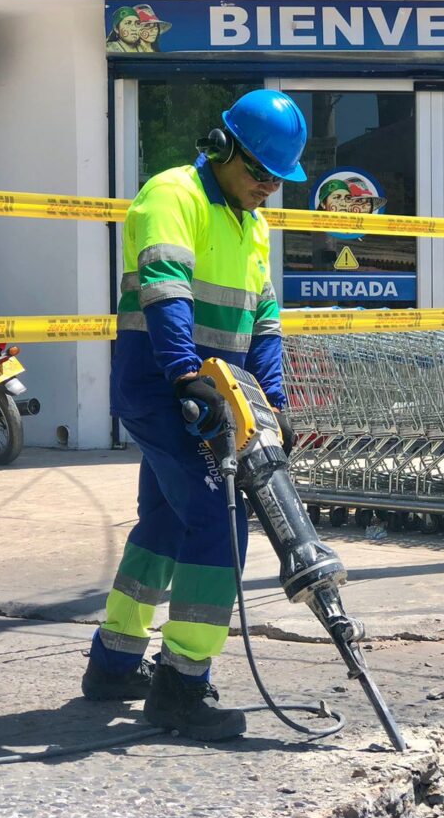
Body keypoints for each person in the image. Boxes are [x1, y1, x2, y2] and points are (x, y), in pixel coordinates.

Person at [82, 89, 307, 742]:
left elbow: (264, 322)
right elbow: (166, 288)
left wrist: (274, 403)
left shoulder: (252, 223)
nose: (268, 186)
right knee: (218, 518)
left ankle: (114, 662)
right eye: (259, 171)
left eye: (277, 178)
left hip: (218, 400)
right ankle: (181, 684)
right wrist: (184, 374)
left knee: (162, 523)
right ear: (222, 147)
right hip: (163, 391)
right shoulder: (172, 194)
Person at [106, 4, 171, 53]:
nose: (154, 30)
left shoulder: (152, 50)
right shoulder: (111, 48)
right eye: (147, 25)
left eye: (156, 26)